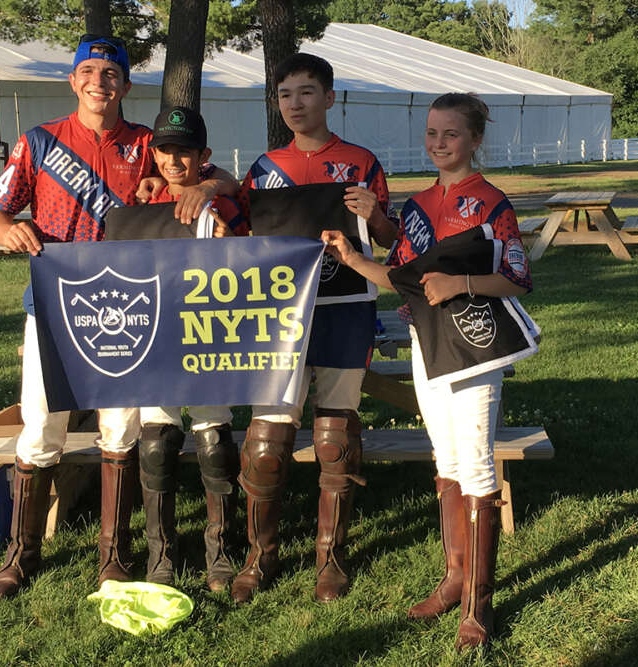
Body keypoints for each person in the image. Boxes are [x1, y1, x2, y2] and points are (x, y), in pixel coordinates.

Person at [0, 35, 236, 599]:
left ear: (125, 83)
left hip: (132, 305)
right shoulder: (38, 142)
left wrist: (204, 187)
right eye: (89, 71)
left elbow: (216, 178)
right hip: (55, 302)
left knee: (120, 427)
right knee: (43, 421)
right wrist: (8, 231)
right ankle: (22, 555)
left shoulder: (148, 143)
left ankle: (113, 554)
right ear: (74, 81)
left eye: (111, 73)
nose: (100, 82)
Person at [322, 92, 532, 650]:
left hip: (473, 348)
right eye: (432, 133)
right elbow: (400, 275)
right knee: (446, 463)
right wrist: (350, 255)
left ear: (475, 141)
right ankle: (454, 579)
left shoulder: (491, 202)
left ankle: (478, 606)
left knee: (478, 468)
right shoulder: (416, 207)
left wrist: (461, 284)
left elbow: (517, 277)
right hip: (425, 344)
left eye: (451, 135)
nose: (439, 144)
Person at [231, 53, 398, 604]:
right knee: (265, 439)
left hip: (345, 306)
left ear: (329, 97)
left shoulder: (360, 161)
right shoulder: (264, 169)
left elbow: (394, 239)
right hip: (280, 314)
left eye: (306, 93)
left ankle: (330, 557)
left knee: (335, 436)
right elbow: (242, 239)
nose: (295, 104)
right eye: (285, 95)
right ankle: (261, 555)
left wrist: (374, 215)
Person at [133, 105, 248, 591]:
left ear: (203, 155)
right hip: (155, 332)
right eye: (165, 150)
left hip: (208, 331)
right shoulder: (140, 199)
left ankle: (219, 547)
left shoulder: (224, 200)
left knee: (213, 437)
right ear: (153, 152)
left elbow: (250, 260)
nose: (173, 160)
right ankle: (161, 550)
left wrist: (226, 236)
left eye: (184, 151)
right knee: (156, 438)